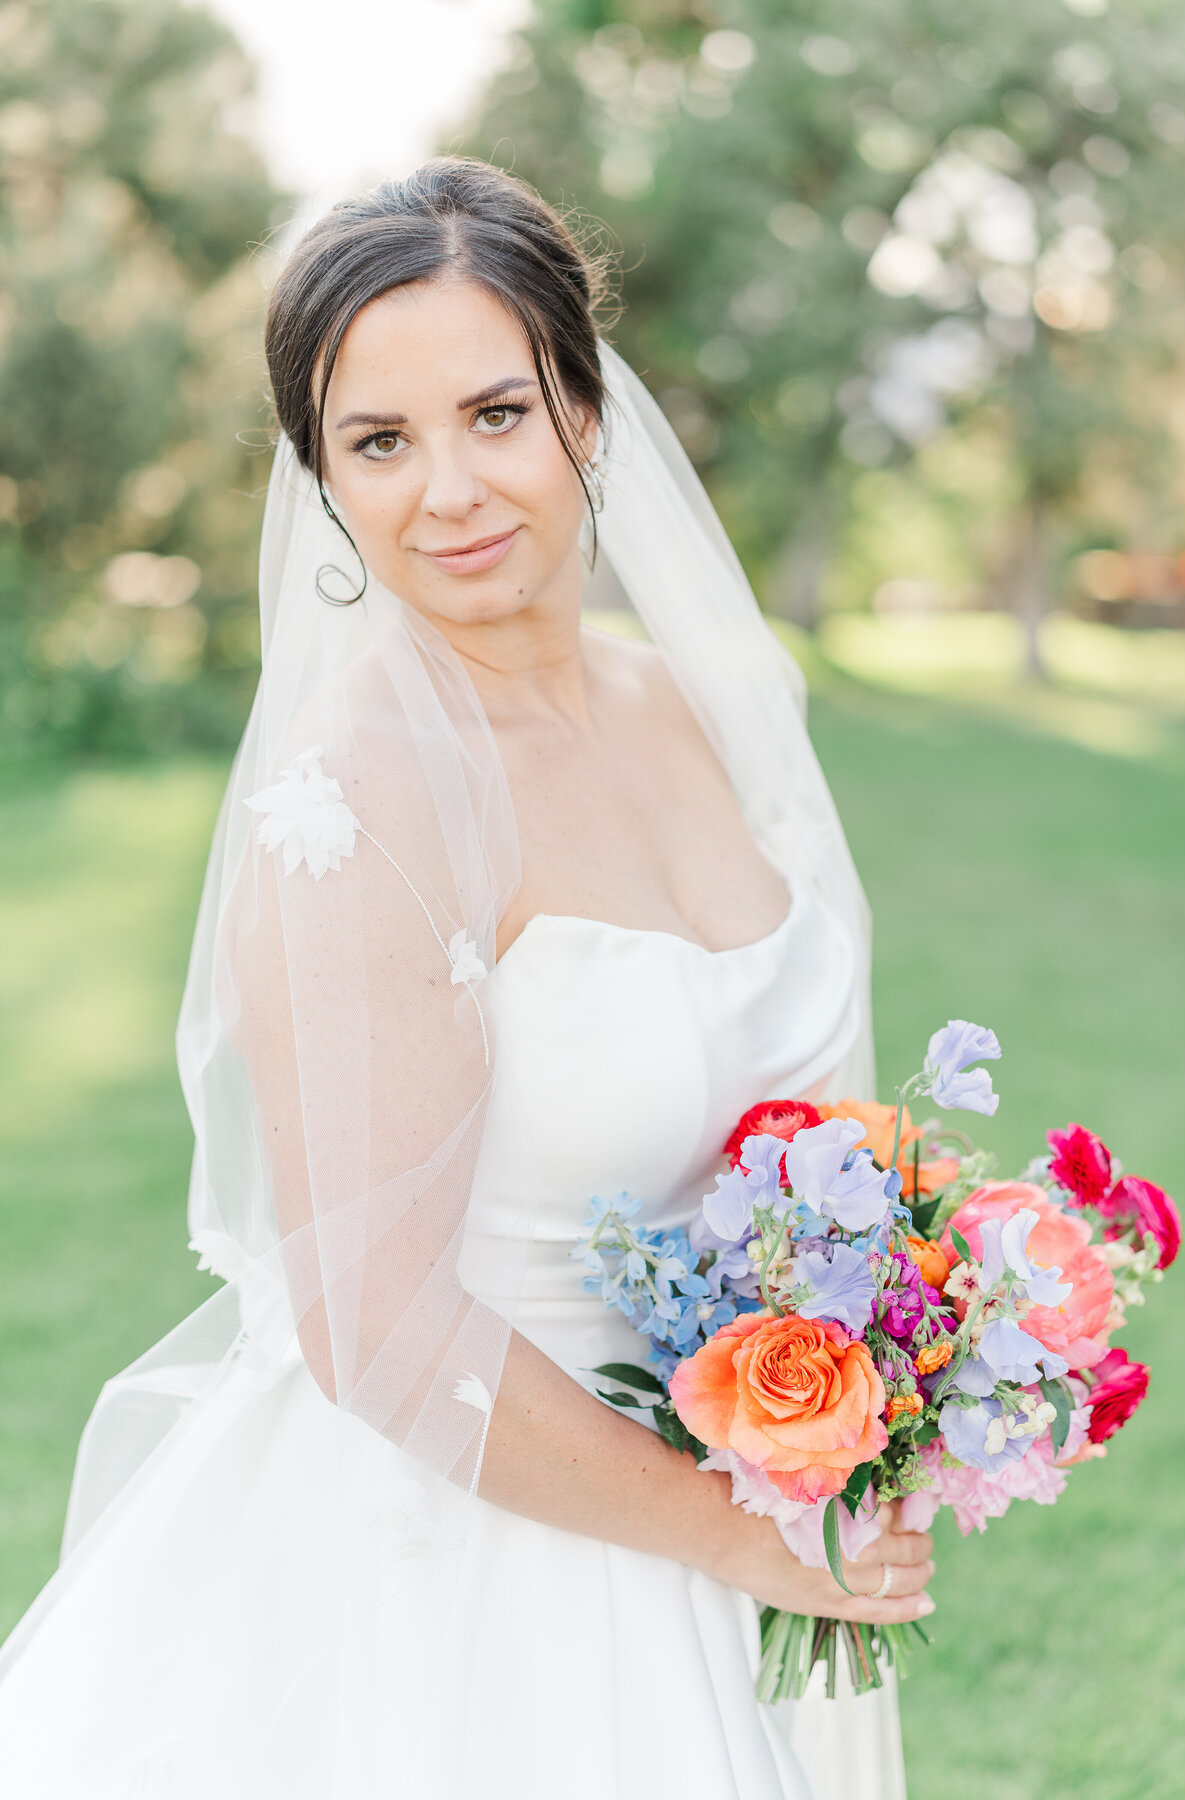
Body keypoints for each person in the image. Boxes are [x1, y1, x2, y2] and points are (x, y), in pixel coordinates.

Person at [0, 158, 932, 1798]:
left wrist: (882, 1385)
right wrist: (740, 1534)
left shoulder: (702, 705)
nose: (449, 490)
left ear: (586, 406)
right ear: (323, 480)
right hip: (472, 1566)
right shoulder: (363, 801)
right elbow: (378, 1328)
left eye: (496, 412)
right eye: (379, 441)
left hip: (732, 1493)